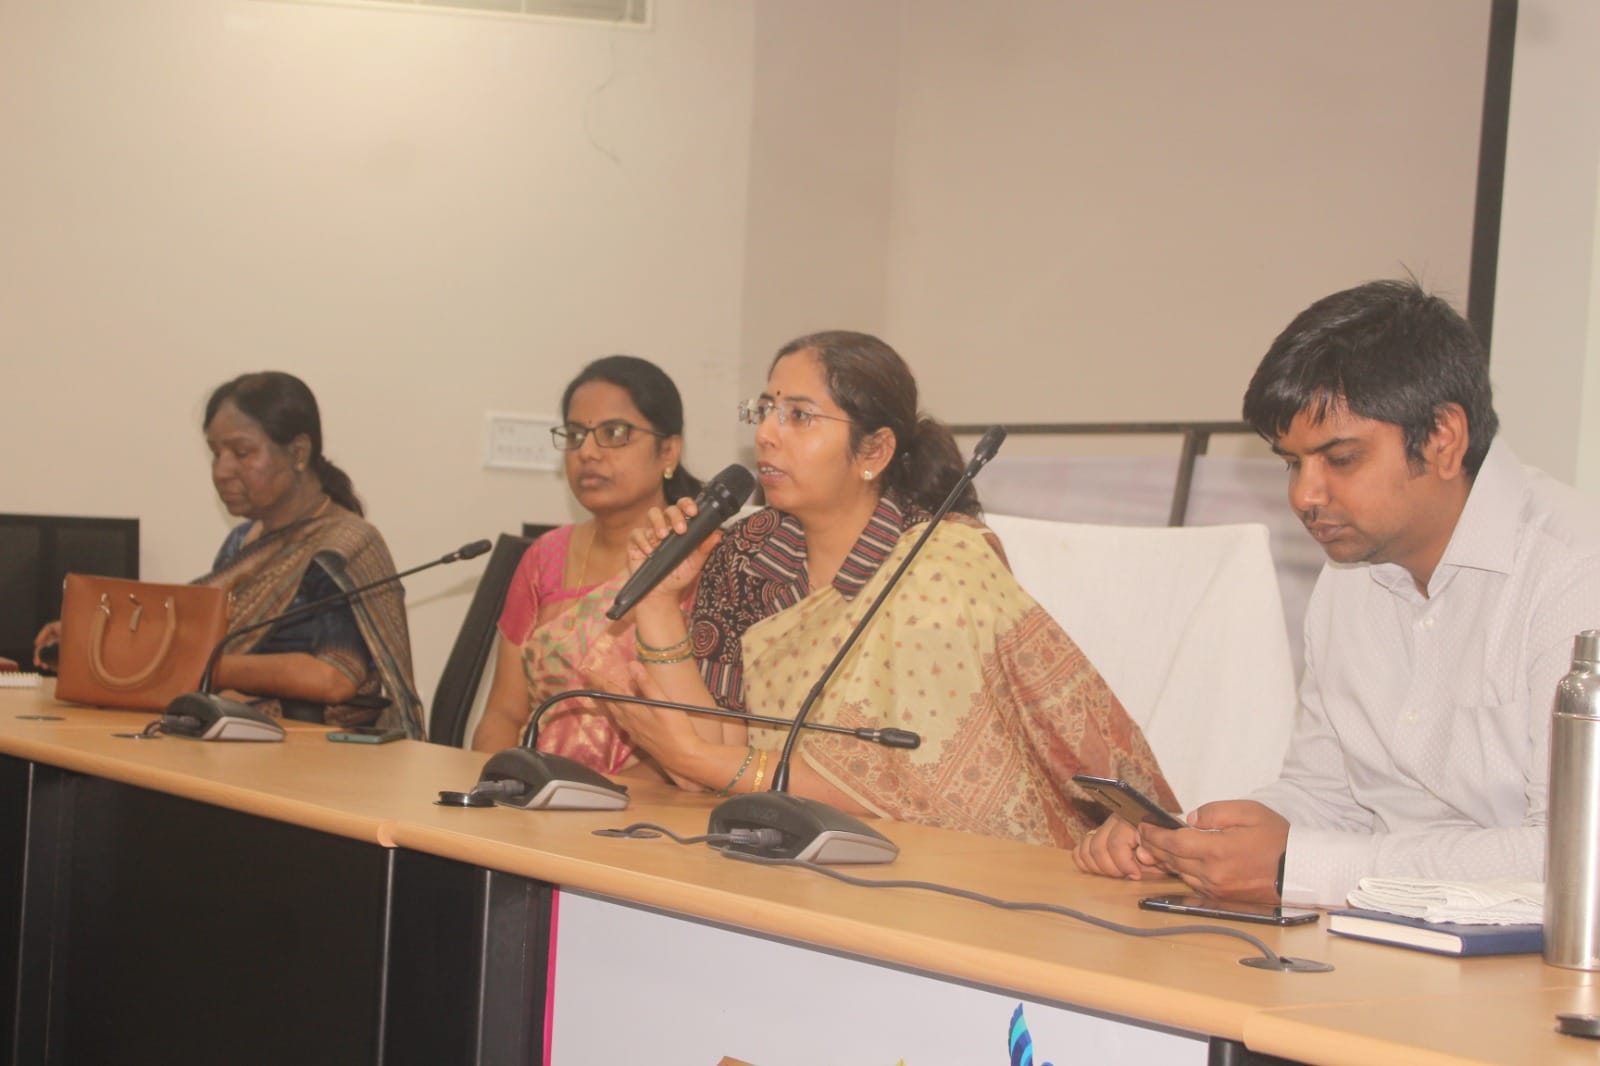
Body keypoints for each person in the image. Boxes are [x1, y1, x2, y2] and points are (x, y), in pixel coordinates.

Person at [1073, 279, 1600, 905]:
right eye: (1292, 463)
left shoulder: (1575, 572)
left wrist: (1297, 866)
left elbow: (1573, 856)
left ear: (1443, 439)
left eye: (1340, 459)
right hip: (1392, 944)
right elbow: (1327, 795)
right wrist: (1187, 839)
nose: (1304, 497)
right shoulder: (1349, 575)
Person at [596, 330, 1174, 848]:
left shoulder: (941, 566)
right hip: (783, 850)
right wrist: (658, 603)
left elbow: (915, 791)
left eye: (799, 416)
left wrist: (697, 757)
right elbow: (712, 747)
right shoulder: (747, 554)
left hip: (946, 869)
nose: (767, 435)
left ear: (873, 451)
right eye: (766, 410)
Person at [36, 372, 418, 731]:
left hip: (316, 751)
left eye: (241, 452)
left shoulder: (343, 546)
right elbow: (194, 635)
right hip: (231, 735)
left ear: (299, 452)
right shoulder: (241, 542)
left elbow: (335, 677)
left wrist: (210, 667)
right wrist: (94, 637)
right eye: (216, 454)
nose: (222, 470)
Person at [469, 356, 701, 777]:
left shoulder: (700, 562)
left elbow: (710, 735)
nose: (587, 452)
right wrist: (493, 787)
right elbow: (503, 714)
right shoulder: (544, 558)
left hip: (649, 812)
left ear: (668, 450)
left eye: (614, 433)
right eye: (575, 435)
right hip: (532, 796)